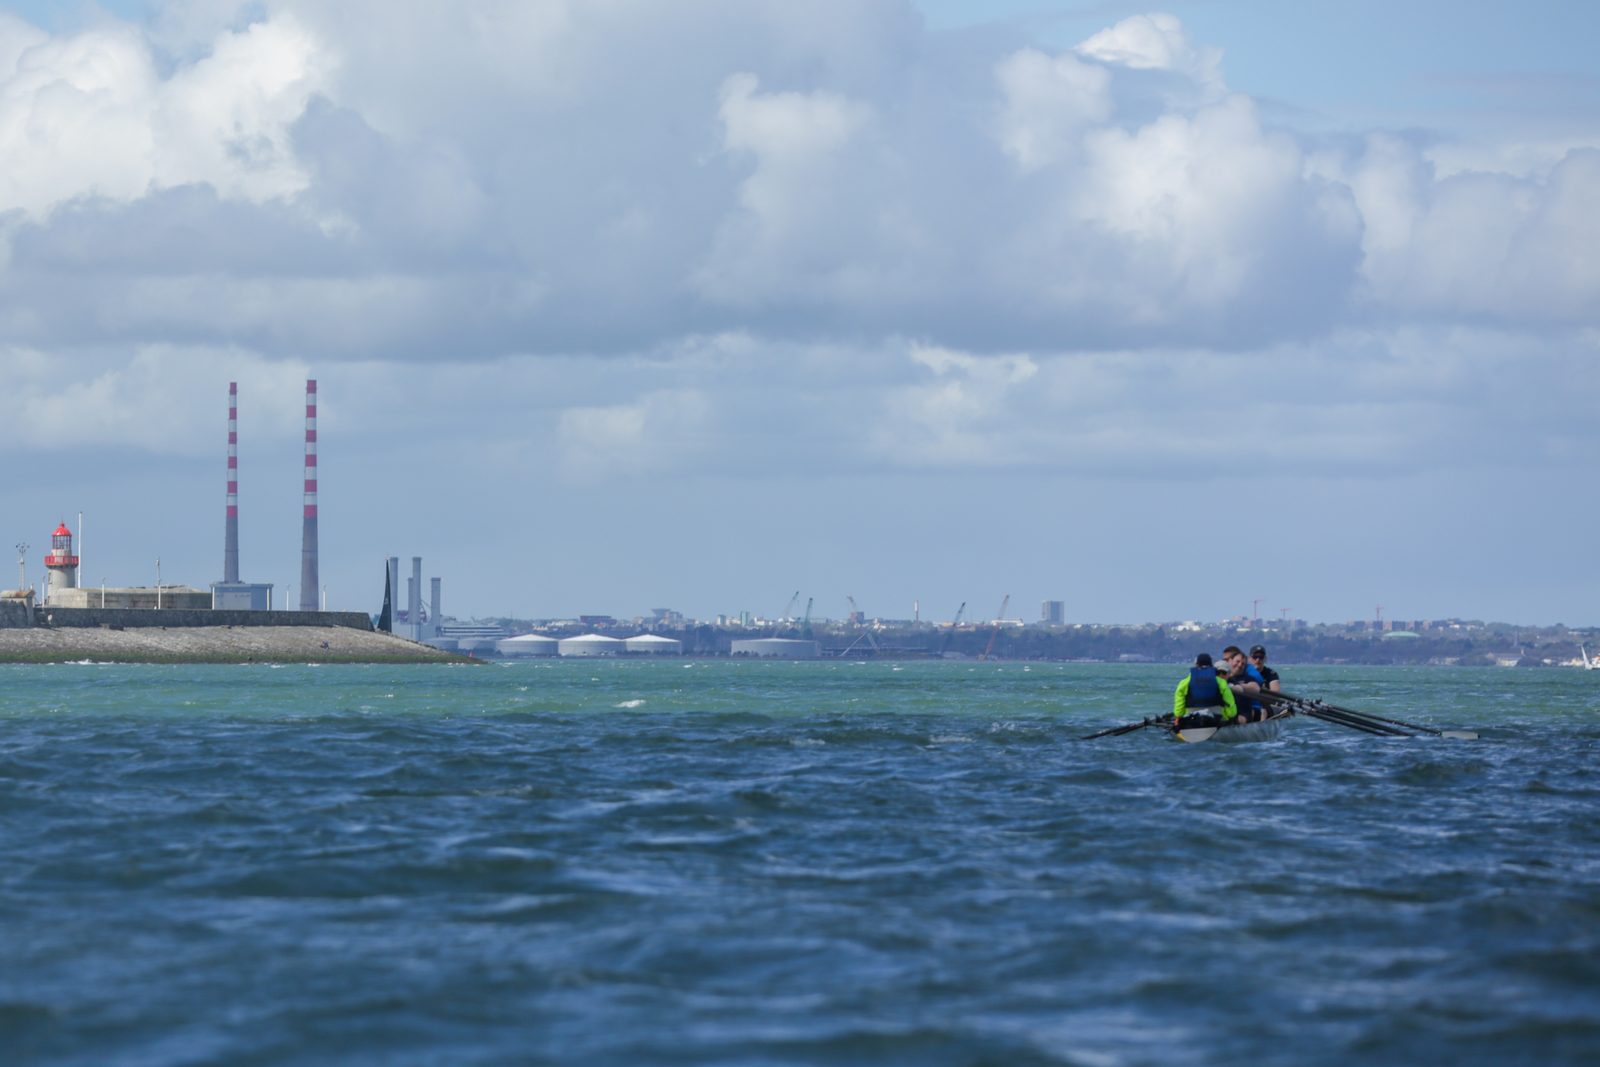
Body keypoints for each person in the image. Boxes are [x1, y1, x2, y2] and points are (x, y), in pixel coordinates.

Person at [1173, 652, 1239, 725]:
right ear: (1211, 666)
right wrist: (1230, 716)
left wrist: (1179, 716)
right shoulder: (1221, 682)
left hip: (1191, 717)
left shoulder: (1184, 683)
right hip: (1216, 718)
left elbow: (1179, 703)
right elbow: (1230, 703)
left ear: (1196, 665)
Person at [1220, 645, 1267, 722]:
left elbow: (1255, 688)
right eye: (1237, 662)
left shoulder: (1246, 678)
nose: (1239, 665)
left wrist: (1236, 687)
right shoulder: (1221, 674)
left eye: (1242, 664)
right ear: (1230, 661)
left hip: (1242, 713)